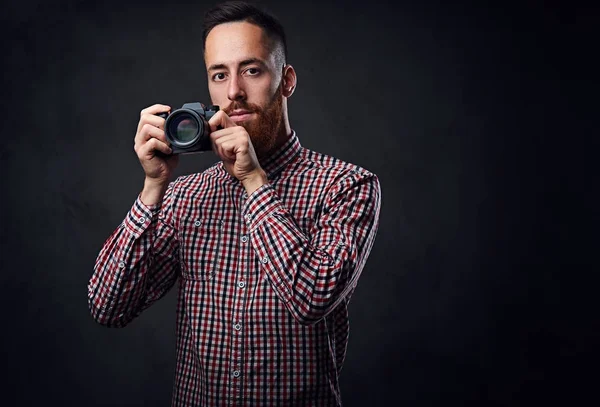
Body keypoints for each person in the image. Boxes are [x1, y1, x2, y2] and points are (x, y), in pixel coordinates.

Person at [88, 1, 381, 405]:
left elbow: (312, 297)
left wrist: (254, 181)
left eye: (252, 70)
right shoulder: (185, 196)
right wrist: (152, 188)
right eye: (219, 75)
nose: (234, 93)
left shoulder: (346, 185)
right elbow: (109, 306)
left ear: (287, 80)